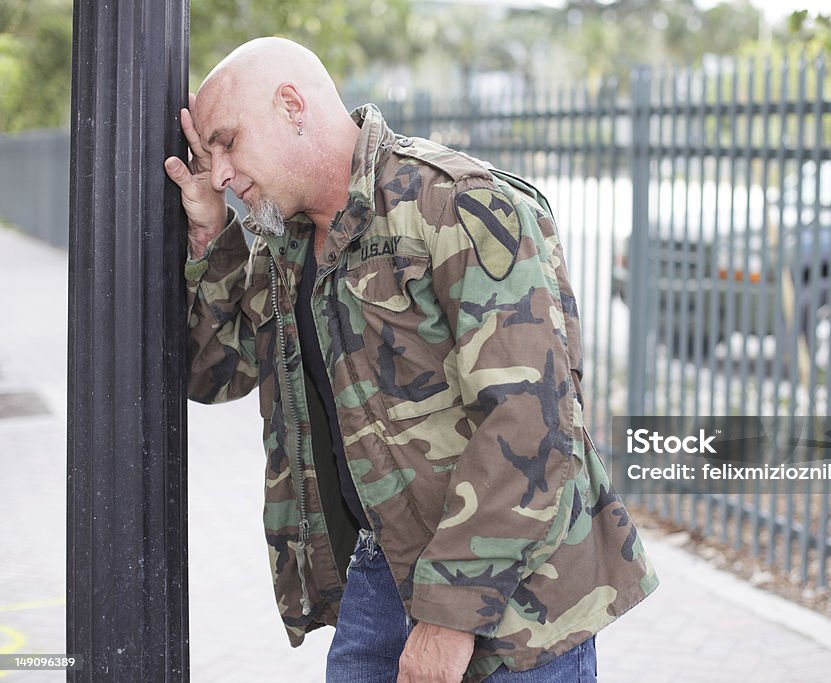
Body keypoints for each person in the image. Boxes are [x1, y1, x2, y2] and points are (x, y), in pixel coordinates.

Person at [165, 37, 658, 683]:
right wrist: (209, 237)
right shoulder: (286, 246)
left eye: (227, 142)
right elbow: (211, 372)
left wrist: (448, 621)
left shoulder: (458, 202)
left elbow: (534, 425)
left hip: (512, 605)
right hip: (379, 583)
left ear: (291, 105)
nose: (221, 172)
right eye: (210, 154)